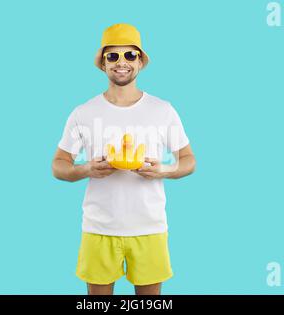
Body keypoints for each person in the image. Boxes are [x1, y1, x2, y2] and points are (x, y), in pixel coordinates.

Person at [52, 23, 196, 295]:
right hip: (98, 227)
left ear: (140, 61)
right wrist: (86, 169)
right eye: (113, 56)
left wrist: (164, 171)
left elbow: (189, 160)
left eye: (130, 55)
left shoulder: (163, 110)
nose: (121, 62)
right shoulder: (83, 112)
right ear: (103, 63)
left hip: (149, 227)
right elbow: (58, 165)